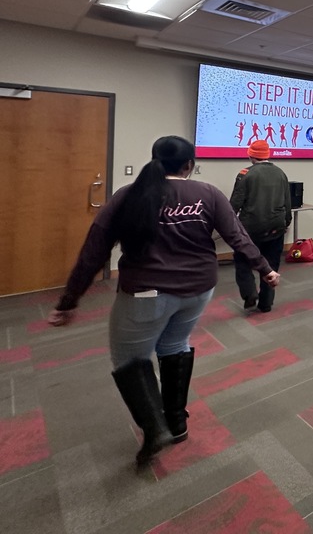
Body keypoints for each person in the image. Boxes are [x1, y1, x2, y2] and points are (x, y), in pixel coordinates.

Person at [47, 136, 279, 467]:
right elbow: (237, 236)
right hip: (198, 290)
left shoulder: (128, 196)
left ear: (154, 159)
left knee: (129, 359)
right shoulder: (208, 193)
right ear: (190, 165)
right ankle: (176, 421)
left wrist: (69, 300)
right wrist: (266, 269)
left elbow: (94, 250)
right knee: (175, 344)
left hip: (145, 294)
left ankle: (154, 427)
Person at [230, 139, 291, 313]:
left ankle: (249, 294)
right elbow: (288, 202)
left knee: (243, 260)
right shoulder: (280, 173)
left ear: (250, 155)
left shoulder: (245, 174)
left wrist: (228, 223)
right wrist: (286, 222)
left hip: (251, 227)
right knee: (271, 264)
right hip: (276, 226)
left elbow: (235, 203)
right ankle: (266, 303)